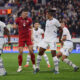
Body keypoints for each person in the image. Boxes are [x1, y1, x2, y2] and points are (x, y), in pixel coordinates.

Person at [34, 8, 62, 74]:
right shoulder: (47, 21)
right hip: (46, 39)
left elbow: (61, 29)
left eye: (47, 14)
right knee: (40, 51)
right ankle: (37, 68)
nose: (46, 15)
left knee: (53, 54)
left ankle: (57, 70)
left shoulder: (56, 21)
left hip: (52, 39)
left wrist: (59, 38)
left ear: (50, 14)